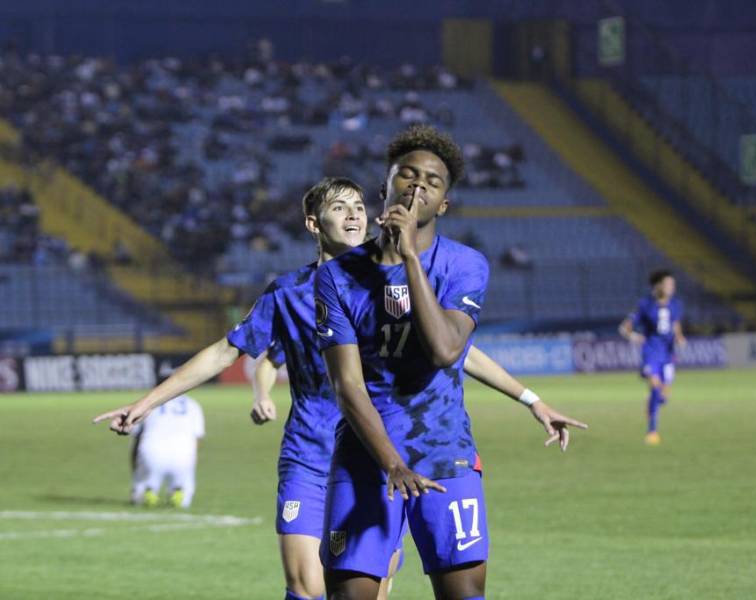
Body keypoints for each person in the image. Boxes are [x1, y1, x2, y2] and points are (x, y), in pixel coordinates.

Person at [95, 175, 583, 600]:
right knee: (307, 586)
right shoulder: (288, 293)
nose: (353, 216)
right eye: (338, 208)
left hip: (381, 455)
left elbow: (459, 352)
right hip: (312, 456)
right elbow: (228, 351)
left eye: (358, 207)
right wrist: (147, 403)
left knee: (373, 589)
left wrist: (531, 400)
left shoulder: (393, 286)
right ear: (313, 224)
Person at [313, 125, 587, 599]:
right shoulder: (336, 278)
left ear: (443, 205)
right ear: (386, 187)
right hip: (366, 461)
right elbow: (348, 387)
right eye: (408, 176)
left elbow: (445, 350)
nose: (418, 187)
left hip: (446, 456)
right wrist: (392, 464)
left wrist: (409, 261)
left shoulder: (464, 266)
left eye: (433, 182)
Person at [618, 269, 687, 445]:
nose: (671, 287)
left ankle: (653, 403)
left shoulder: (675, 305)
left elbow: (676, 324)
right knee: (655, 387)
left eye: (673, 284)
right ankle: (652, 431)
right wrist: (635, 337)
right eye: (668, 284)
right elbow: (625, 327)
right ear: (658, 286)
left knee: (662, 396)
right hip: (651, 353)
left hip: (668, 355)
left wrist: (679, 338)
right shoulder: (645, 305)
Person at [130, 394, 205, 508]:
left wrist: (135, 465)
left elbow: (136, 437)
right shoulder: (193, 404)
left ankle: (148, 492)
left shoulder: (146, 403)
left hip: (152, 450)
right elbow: (197, 438)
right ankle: (179, 493)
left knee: (140, 491)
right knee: (185, 494)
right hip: (183, 452)